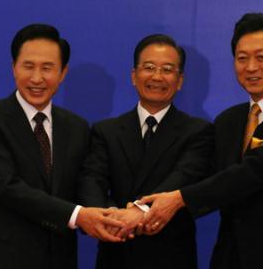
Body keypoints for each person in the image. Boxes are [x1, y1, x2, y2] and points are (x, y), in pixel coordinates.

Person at [140, 13, 263, 269]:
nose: (250, 67)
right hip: (231, 257)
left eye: (261, 57)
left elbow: (253, 172)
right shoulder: (228, 120)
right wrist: (142, 209)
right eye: (242, 58)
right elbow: (202, 174)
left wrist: (178, 199)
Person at [0, 24, 124, 269]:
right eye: (28, 66)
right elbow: (8, 187)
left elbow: (84, 184)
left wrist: (112, 213)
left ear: (62, 73)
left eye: (47, 68)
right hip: (1, 257)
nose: (37, 78)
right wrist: (78, 216)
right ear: (13, 68)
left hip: (58, 257)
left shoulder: (76, 126)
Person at [78, 34, 214, 269]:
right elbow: (92, 180)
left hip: (171, 256)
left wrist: (139, 212)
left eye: (167, 69)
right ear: (134, 76)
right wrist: (111, 217)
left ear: (180, 80)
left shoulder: (198, 131)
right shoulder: (106, 131)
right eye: (149, 67)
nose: (157, 76)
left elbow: (182, 177)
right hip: (115, 250)